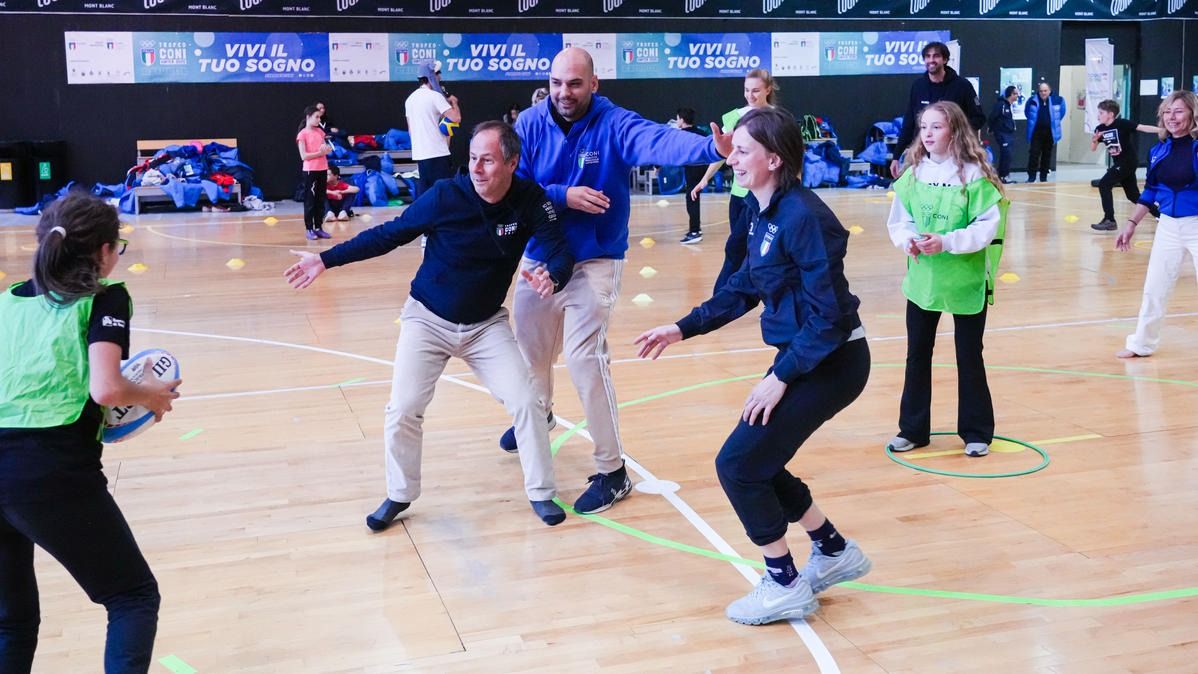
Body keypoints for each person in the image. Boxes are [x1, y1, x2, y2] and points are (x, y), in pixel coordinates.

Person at [634, 107, 872, 626]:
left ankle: (784, 583)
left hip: (833, 360)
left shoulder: (804, 217)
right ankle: (833, 549)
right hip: (805, 355)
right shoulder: (763, 211)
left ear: (774, 159)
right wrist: (681, 328)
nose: (732, 159)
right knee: (759, 459)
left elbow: (830, 318)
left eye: (742, 151)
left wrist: (780, 377)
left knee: (738, 465)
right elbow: (744, 287)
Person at [284, 122, 575, 528]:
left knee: (528, 402)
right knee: (403, 408)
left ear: (512, 163)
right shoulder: (445, 196)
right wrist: (325, 259)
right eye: (472, 158)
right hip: (427, 320)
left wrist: (553, 276)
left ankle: (542, 492)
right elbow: (390, 234)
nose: (477, 168)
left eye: (488, 160)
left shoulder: (530, 200)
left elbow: (560, 249)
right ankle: (399, 494)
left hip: (485, 327)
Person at [503, 47, 731, 514]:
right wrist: (563, 195)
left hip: (596, 259)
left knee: (585, 359)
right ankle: (541, 413)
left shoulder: (614, 123)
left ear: (594, 84)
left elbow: (659, 142)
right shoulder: (529, 124)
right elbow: (515, 188)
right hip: (540, 259)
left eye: (575, 84)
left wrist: (711, 149)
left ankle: (612, 471)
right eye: (556, 83)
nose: (564, 93)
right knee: (531, 357)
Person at [0, 193, 180, 672]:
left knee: (11, 622)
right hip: (47, 469)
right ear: (104, 251)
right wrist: (150, 395)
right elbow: (106, 388)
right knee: (132, 596)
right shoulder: (105, 297)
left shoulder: (7, 302)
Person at [885, 101, 1007, 459]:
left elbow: (986, 228)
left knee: (969, 356)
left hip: (964, 281)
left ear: (954, 130)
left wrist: (947, 241)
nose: (928, 134)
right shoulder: (914, 173)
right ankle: (912, 429)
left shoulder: (974, 175)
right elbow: (900, 220)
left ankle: (976, 431)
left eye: (936, 127)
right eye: (924, 127)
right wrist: (909, 241)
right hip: (924, 282)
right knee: (917, 354)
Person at [1114, 91, 1198, 358]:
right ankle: (1141, 344)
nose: (1172, 117)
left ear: (1192, 114)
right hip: (1168, 226)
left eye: (1179, 111)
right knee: (1155, 288)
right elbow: (1150, 191)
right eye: (1167, 112)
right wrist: (1131, 223)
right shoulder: (1158, 150)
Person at [689, 69, 778, 286]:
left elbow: (790, 155)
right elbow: (724, 153)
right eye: (747, 90)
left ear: (768, 90)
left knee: (760, 248)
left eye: (756, 90)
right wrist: (705, 178)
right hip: (740, 195)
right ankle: (729, 294)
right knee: (737, 247)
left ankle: (741, 291)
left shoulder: (778, 119)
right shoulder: (734, 117)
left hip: (766, 195)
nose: (750, 95)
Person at [889, 41, 985, 180]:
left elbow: (979, 118)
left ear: (945, 59)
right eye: (927, 56)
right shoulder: (918, 86)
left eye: (936, 56)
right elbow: (909, 123)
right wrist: (896, 156)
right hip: (923, 154)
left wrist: (955, 133)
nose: (931, 60)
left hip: (954, 155)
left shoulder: (962, 86)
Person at [1090, 99, 1162, 231]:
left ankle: (1109, 220)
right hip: (1119, 163)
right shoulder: (1100, 129)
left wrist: (1163, 130)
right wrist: (1094, 141)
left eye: (1101, 113)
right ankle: (1160, 214)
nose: (1098, 115)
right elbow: (1093, 149)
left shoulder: (1122, 124)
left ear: (1110, 114)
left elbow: (1142, 128)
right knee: (1133, 195)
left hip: (1128, 161)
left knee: (1104, 184)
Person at [405, 60, 461, 197]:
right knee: (444, 194)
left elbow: (410, 130)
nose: (440, 76)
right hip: (437, 153)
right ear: (432, 76)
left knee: (427, 196)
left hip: (420, 154)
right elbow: (456, 118)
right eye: (438, 73)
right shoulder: (435, 96)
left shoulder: (410, 99)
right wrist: (454, 102)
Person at [297, 105, 332, 240]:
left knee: (320, 199)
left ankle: (318, 227)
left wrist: (326, 149)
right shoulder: (302, 134)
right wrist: (320, 153)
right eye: (316, 117)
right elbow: (304, 156)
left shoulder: (320, 132)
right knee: (310, 200)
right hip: (310, 171)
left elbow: (323, 146)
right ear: (308, 117)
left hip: (322, 168)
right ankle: (309, 228)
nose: (319, 120)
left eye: (320, 117)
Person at [675, 107, 708, 244]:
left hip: (693, 170)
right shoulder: (701, 133)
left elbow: (672, 151)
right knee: (694, 198)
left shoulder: (681, 135)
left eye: (677, 119)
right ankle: (695, 227)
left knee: (692, 199)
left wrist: (658, 165)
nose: (676, 121)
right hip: (704, 169)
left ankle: (695, 231)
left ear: (682, 120)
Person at [1024, 82, 1067, 183]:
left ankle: (1043, 178)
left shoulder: (1058, 100)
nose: (1043, 93)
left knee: (1047, 155)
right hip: (1036, 132)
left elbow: (1061, 113)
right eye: (1041, 91)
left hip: (1050, 132)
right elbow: (1027, 113)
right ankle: (1031, 177)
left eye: (1045, 91)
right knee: (1034, 154)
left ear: (1049, 91)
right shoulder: (1031, 100)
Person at [988, 86, 1018, 184]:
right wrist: (992, 129)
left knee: (1007, 155)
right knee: (1006, 154)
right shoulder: (1001, 105)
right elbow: (992, 117)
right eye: (1015, 94)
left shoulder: (1009, 106)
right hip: (1002, 134)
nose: (1017, 96)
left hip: (1008, 134)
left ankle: (1003, 175)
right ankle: (1003, 176)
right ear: (1010, 94)